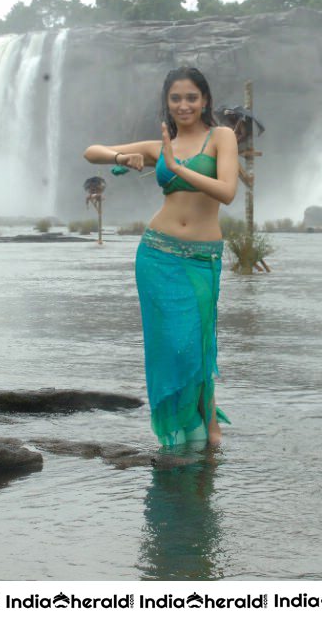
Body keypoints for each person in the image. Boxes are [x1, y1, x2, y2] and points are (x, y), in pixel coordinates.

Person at [84, 67, 239, 446]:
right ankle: (180, 436)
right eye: (175, 98)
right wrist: (125, 155)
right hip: (157, 254)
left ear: (205, 100)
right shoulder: (158, 145)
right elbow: (92, 153)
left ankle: (210, 431)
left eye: (191, 97)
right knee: (169, 347)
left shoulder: (221, 137)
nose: (184, 105)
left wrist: (175, 166)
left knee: (196, 345)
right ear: (167, 103)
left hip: (202, 258)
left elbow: (227, 191)